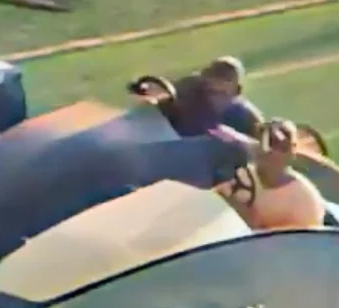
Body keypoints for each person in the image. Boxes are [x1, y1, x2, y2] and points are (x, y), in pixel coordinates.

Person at [211, 119, 328, 230]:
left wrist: (245, 214)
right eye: (267, 144)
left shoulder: (305, 201)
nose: (270, 153)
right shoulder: (235, 178)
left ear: (292, 153)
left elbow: (299, 245)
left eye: (282, 148)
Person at [133, 56, 264, 137]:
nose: (215, 98)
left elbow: (263, 148)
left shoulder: (245, 116)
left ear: (236, 92)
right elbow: (160, 96)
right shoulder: (188, 94)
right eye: (210, 91)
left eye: (222, 93)